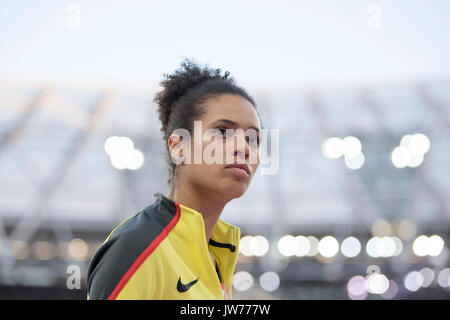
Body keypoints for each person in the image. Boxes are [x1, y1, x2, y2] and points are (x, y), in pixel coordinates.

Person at [87, 58, 262, 300]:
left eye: (253, 139)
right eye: (222, 131)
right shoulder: (139, 246)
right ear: (179, 146)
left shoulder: (219, 253)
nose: (243, 148)